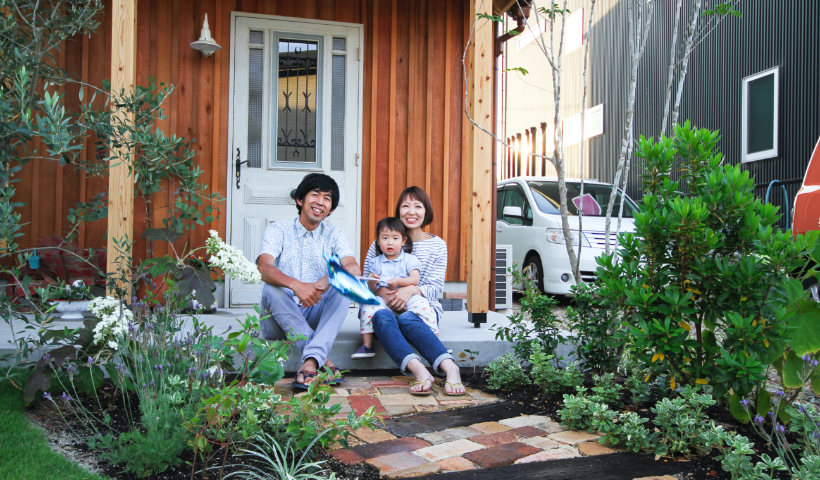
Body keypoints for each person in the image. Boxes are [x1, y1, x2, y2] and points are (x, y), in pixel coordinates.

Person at [256, 173, 361, 389]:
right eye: (315, 195)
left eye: (327, 198)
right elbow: (264, 268)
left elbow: (353, 267)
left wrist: (329, 278)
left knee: (343, 287)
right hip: (278, 320)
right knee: (271, 288)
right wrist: (296, 285)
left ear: (330, 210)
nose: (320, 202)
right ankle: (322, 359)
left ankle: (311, 361)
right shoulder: (278, 230)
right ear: (300, 200)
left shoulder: (334, 234)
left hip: (314, 313)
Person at [365, 187, 465, 396]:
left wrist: (410, 290)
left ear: (426, 211)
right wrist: (383, 293)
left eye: (417, 206)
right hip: (387, 307)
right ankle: (419, 371)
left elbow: (436, 288)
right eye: (405, 206)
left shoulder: (437, 245)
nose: (411, 212)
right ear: (398, 211)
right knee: (382, 317)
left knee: (408, 319)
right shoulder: (382, 241)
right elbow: (367, 280)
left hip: (423, 307)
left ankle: (450, 368)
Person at [353, 217, 438, 360]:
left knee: (424, 305)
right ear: (378, 242)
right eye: (385, 238)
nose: (390, 242)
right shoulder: (375, 262)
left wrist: (398, 281)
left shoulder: (410, 259)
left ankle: (436, 342)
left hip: (408, 297)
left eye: (395, 238)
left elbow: (415, 280)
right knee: (367, 305)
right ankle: (367, 346)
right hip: (383, 299)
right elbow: (370, 288)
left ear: (403, 241)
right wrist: (373, 281)